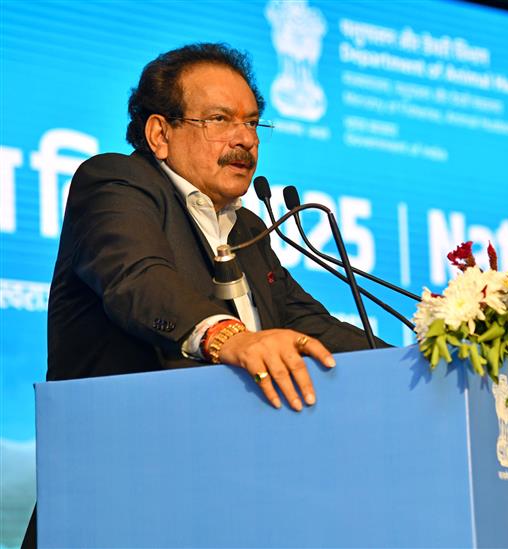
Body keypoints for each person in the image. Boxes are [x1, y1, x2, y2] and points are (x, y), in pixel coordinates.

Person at [22, 42, 383, 548]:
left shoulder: (248, 230)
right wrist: (228, 336)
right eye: (219, 119)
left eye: (253, 122)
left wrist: (428, 364)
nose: (244, 139)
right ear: (160, 133)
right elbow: (138, 280)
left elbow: (311, 326)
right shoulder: (116, 183)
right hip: (118, 497)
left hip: (233, 501)